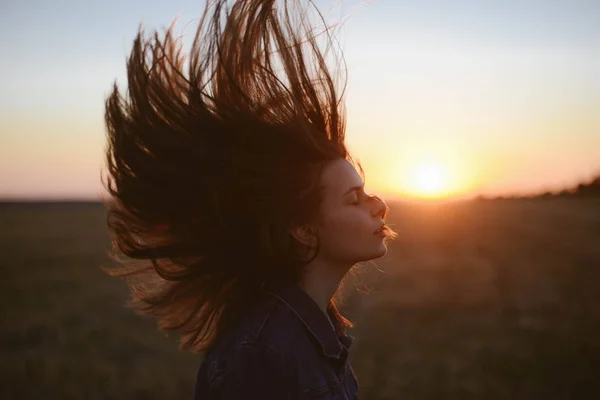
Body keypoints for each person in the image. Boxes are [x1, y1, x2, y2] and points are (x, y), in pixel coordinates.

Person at [101, 0, 397, 398]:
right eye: (353, 199)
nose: (379, 205)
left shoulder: (311, 331)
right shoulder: (261, 356)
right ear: (305, 230)